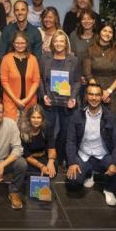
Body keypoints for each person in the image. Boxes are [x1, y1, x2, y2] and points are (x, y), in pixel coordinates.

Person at [65, 83, 116, 207]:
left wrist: (114, 163)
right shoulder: (77, 116)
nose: (94, 98)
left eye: (97, 95)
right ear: (86, 96)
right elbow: (70, 141)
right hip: (83, 155)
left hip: (102, 155)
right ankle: (89, 173)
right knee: (73, 183)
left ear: (101, 97)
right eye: (91, 94)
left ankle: (108, 189)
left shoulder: (110, 117)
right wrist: (72, 163)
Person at [38, 30, 80, 166]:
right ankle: (51, 157)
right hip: (49, 101)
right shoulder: (45, 57)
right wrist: (43, 95)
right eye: (56, 41)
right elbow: (39, 79)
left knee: (65, 131)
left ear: (66, 43)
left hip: (67, 103)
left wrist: (73, 98)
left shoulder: (73, 59)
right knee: (49, 130)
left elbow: (77, 81)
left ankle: (61, 156)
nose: (58, 44)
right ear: (52, 43)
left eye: (61, 41)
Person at [83, 24, 116, 126]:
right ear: (99, 32)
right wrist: (99, 93)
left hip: (114, 93)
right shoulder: (90, 50)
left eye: (110, 32)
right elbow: (88, 74)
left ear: (113, 35)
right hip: (93, 92)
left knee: (114, 124)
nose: (107, 34)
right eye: (104, 31)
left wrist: (108, 91)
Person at [0, 32, 41, 120]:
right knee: (11, 130)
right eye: (17, 43)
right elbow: (4, 82)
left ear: (26, 44)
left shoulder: (33, 59)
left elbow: (36, 81)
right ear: (13, 44)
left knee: (28, 130)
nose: (20, 45)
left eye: (22, 43)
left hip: (29, 102)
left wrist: (26, 99)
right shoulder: (6, 59)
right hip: (11, 102)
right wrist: (16, 100)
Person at [20, 104, 57, 179]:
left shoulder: (47, 127)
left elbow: (51, 146)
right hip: (30, 160)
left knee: (52, 170)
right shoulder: (23, 131)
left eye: (38, 117)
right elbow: (27, 156)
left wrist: (50, 161)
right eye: (33, 117)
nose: (36, 120)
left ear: (42, 119)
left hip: (43, 156)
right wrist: (41, 166)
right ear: (29, 119)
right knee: (35, 173)